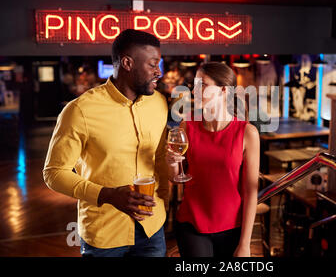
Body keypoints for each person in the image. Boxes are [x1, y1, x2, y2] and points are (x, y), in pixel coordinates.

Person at [43, 29, 169, 257]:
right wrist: (108, 195)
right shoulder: (80, 110)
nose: (158, 72)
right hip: (104, 234)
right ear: (128, 63)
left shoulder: (159, 103)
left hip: (153, 227)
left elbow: (158, 157)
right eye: (152, 65)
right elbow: (54, 173)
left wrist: (165, 202)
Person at [166, 62, 260, 257]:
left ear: (224, 90)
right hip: (191, 224)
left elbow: (251, 193)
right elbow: (175, 178)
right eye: (195, 85)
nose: (195, 91)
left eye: (203, 85)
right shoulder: (187, 125)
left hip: (232, 227)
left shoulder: (247, 133)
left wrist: (245, 244)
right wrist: (172, 163)